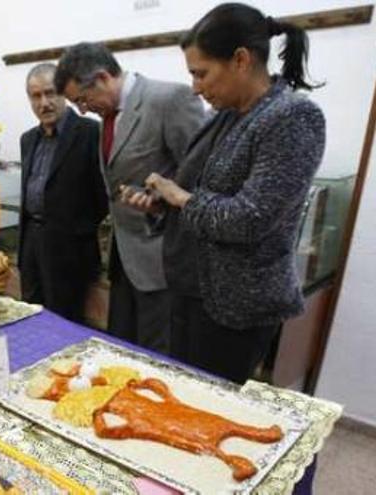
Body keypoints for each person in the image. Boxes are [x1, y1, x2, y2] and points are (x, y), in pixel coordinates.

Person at [123, 3, 326, 383]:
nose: (196, 87)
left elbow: (249, 219)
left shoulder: (292, 117)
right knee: (182, 392)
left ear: (241, 60)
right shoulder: (227, 115)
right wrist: (162, 203)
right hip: (191, 289)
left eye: (201, 74)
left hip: (234, 306)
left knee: (210, 409)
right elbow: (203, 192)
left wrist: (179, 196)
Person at [55, 42, 205, 353]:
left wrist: (160, 198)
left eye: (83, 100)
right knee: (121, 346)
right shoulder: (107, 117)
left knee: (155, 355)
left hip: (162, 260)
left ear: (102, 78)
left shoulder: (168, 99)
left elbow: (203, 176)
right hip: (124, 258)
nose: (83, 110)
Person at [19, 63, 107, 324]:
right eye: (36, 96)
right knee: (31, 318)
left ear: (64, 93)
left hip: (70, 251)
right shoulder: (27, 139)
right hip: (32, 246)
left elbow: (102, 195)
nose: (44, 103)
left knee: (65, 326)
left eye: (50, 93)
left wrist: (76, 229)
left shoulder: (91, 132)